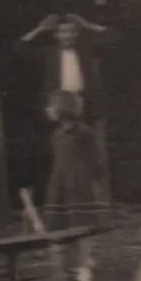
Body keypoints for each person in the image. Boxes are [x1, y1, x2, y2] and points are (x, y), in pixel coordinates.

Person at [17, 12, 116, 189]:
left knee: (88, 149)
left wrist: (88, 25)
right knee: (61, 150)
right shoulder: (49, 53)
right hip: (58, 106)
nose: (68, 36)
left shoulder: (86, 50)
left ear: (76, 34)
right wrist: (40, 29)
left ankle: (91, 194)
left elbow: (112, 38)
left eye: (71, 32)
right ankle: (63, 194)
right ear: (56, 35)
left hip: (85, 104)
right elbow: (21, 48)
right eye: (63, 32)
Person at [43, 90, 108, 281]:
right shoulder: (56, 135)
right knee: (63, 225)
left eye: (51, 106)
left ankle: (84, 267)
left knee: (81, 226)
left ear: (62, 109)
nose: (47, 110)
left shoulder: (84, 133)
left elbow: (97, 159)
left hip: (79, 185)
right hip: (60, 184)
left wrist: (96, 179)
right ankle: (72, 265)